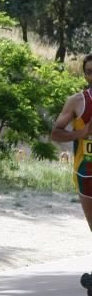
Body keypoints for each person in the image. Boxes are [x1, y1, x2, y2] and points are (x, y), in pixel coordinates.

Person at [51, 53, 92, 231]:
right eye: (90, 72)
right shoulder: (77, 101)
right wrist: (81, 132)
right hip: (87, 171)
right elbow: (55, 133)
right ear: (85, 76)